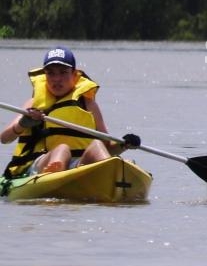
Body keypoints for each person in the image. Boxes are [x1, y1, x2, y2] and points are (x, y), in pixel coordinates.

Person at [1, 46, 140, 177]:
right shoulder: (33, 104)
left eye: (63, 72)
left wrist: (124, 144)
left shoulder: (89, 104)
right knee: (62, 149)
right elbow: (4, 138)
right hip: (40, 165)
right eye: (51, 73)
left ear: (74, 74)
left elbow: (107, 148)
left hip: (77, 165)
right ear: (45, 75)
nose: (57, 79)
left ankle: (113, 177)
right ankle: (53, 178)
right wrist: (22, 124)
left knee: (97, 145)